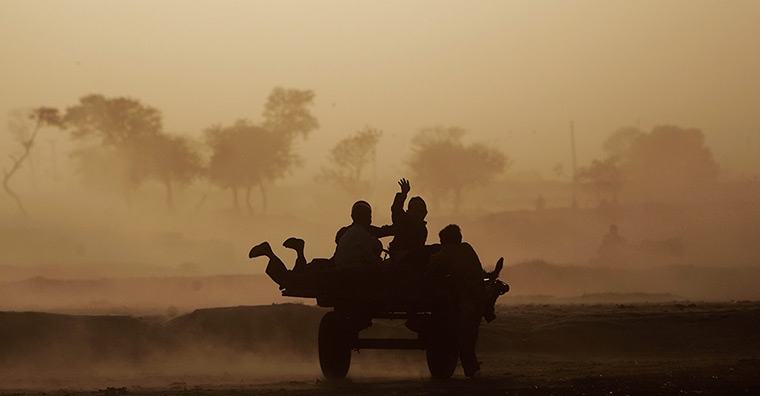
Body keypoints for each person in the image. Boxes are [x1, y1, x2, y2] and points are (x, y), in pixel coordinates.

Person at [427, 224, 487, 378]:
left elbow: (432, 270)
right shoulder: (468, 248)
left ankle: (471, 370)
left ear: (444, 241)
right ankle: (471, 370)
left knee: (462, 333)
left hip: (465, 297)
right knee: (469, 333)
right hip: (479, 296)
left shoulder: (445, 252)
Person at [388, 178, 428, 261]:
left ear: (425, 213)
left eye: (421, 211)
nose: (418, 214)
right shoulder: (403, 222)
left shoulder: (423, 229)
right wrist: (403, 194)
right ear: (408, 212)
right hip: (400, 259)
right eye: (415, 211)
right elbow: (396, 209)